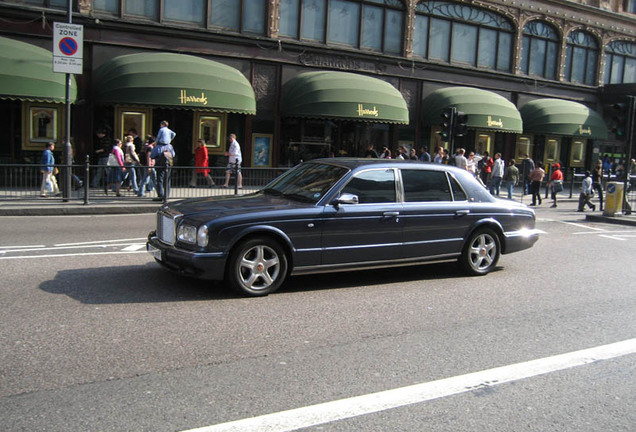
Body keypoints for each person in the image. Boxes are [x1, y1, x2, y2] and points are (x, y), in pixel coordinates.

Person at [150, 120, 176, 201]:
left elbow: (152, 155)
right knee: (167, 180)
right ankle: (166, 196)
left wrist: (156, 142)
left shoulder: (159, 146)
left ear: (162, 124)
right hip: (168, 164)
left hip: (160, 165)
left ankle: (161, 195)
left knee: (160, 180)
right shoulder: (170, 146)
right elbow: (173, 154)